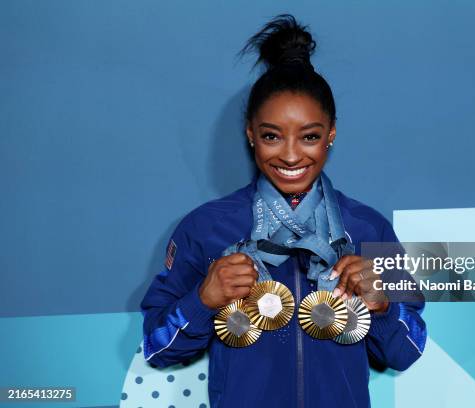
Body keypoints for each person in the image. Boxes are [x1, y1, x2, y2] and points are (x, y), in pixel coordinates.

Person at [140, 14, 426, 408]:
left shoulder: (368, 227)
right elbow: (157, 347)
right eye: (272, 135)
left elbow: (406, 351)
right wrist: (201, 300)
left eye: (309, 136)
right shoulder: (206, 227)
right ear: (250, 135)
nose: (291, 155)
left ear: (331, 135)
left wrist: (382, 305)